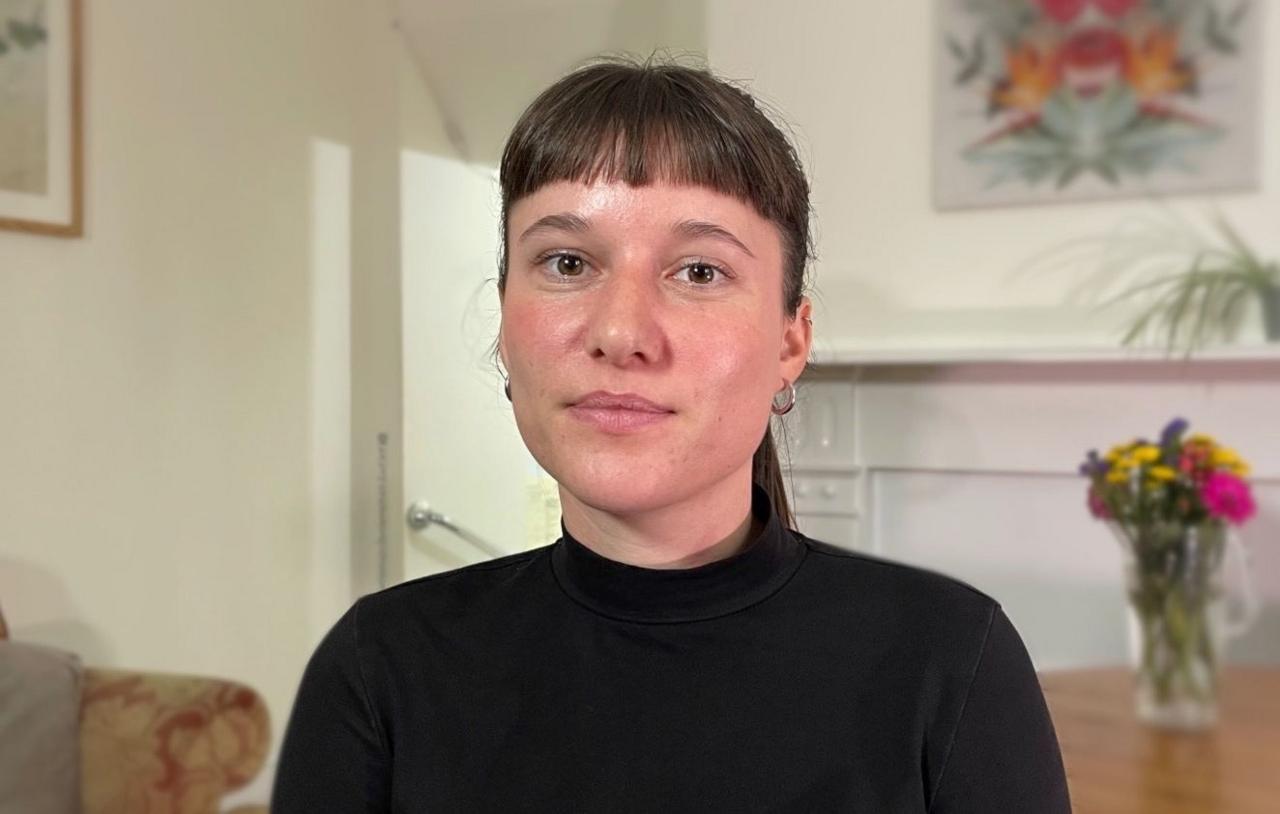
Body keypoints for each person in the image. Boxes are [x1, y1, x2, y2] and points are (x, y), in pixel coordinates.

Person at [272, 55, 1072, 812]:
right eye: (565, 263)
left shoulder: (948, 661)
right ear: (506, 323)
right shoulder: (379, 671)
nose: (621, 332)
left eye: (698, 271)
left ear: (791, 342)